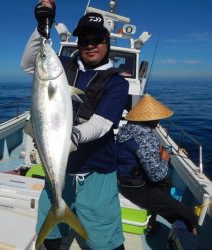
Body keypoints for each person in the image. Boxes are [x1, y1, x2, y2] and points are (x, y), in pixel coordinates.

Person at [21, 0, 130, 249]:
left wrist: (71, 137)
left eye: (97, 39)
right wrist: (41, 27)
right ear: (78, 44)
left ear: (107, 42)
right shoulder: (62, 66)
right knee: (50, 228)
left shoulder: (116, 83)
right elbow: (29, 64)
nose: (90, 45)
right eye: (84, 40)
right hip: (60, 169)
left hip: (96, 170)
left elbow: (102, 125)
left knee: (104, 235)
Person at [116, 93, 198, 236]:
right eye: (158, 117)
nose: (160, 119)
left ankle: (152, 222)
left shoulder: (128, 129)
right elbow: (157, 176)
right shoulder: (143, 138)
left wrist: (157, 155)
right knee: (187, 214)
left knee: (165, 189)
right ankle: (180, 232)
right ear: (150, 119)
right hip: (135, 188)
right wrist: (164, 158)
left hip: (126, 179)